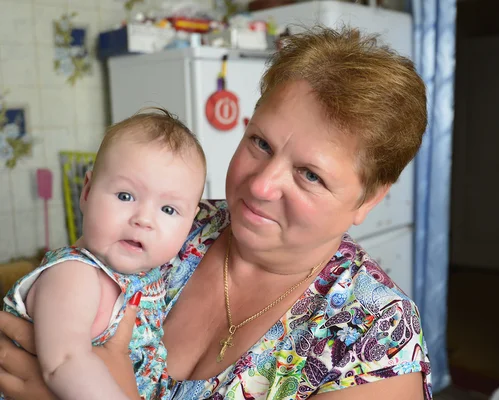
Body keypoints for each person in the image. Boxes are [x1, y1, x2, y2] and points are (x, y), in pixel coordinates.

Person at [0, 26, 432, 399]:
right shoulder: (173, 224)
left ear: (369, 199)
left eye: (310, 175)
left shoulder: (375, 341)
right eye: (260, 143)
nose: (261, 185)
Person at [0, 108, 207, 400]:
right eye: (125, 196)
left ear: (190, 222)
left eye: (168, 209)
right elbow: (65, 363)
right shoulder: (74, 274)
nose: (144, 219)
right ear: (87, 192)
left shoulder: (150, 277)